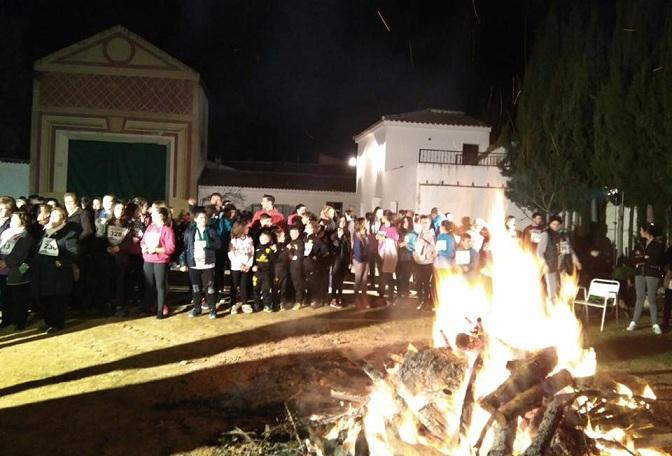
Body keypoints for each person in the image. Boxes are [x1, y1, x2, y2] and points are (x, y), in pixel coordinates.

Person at [32, 207, 79, 333]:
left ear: (63, 219)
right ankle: (48, 322)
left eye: (56, 216)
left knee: (57, 300)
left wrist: (61, 262)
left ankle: (57, 323)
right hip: (43, 272)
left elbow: (74, 252)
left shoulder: (70, 233)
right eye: (51, 216)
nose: (52, 219)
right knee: (45, 299)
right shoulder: (46, 231)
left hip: (58, 274)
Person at [627, 223, 665, 334]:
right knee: (640, 297)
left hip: (652, 273)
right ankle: (634, 322)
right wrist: (644, 257)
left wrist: (644, 258)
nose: (639, 232)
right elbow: (633, 257)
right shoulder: (640, 243)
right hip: (640, 272)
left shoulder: (657, 244)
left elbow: (656, 259)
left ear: (646, 231)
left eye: (641, 230)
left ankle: (655, 324)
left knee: (652, 298)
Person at [184, 208, 221, 319]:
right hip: (193, 263)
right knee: (196, 288)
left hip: (207, 263)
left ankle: (212, 309)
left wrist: (208, 244)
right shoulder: (189, 232)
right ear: (195, 219)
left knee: (209, 288)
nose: (203, 219)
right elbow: (185, 248)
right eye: (200, 217)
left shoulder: (211, 231)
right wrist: (183, 263)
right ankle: (197, 308)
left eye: (205, 217)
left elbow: (218, 244)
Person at [0, 211, 34, 329]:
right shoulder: (6, 233)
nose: (12, 220)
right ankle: (6, 319)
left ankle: (20, 321)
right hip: (3, 270)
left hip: (16, 270)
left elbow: (20, 254)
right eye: (12, 218)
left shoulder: (25, 235)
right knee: (5, 297)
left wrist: (6, 262)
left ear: (23, 220)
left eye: (15, 218)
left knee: (19, 298)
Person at [537, 215, 581, 304]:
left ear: (560, 225)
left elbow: (569, 250)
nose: (555, 226)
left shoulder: (562, 236)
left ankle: (562, 308)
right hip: (550, 267)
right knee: (552, 292)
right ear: (550, 224)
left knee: (563, 290)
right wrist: (544, 264)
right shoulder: (546, 235)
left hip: (561, 267)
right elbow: (540, 252)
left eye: (557, 224)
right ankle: (552, 311)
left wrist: (575, 260)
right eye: (553, 224)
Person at [141, 207, 175, 319]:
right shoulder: (150, 227)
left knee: (160, 286)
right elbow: (143, 241)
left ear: (161, 216)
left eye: (154, 214)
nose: (152, 216)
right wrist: (143, 247)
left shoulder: (167, 230)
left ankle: (160, 310)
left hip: (160, 260)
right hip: (148, 259)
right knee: (148, 285)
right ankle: (148, 307)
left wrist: (156, 250)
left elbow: (170, 248)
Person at [101, 202, 133, 316]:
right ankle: (108, 304)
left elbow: (129, 242)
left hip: (121, 257)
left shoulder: (128, 224)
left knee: (120, 282)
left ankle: (120, 305)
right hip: (108, 256)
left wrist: (118, 247)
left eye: (121, 209)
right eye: (117, 208)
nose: (119, 211)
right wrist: (108, 247)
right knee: (108, 281)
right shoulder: (107, 222)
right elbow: (102, 237)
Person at [228, 221, 254, 314]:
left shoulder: (249, 239)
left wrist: (248, 265)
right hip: (236, 267)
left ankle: (244, 303)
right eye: (246, 227)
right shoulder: (233, 241)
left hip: (246, 267)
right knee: (234, 286)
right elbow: (231, 254)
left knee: (244, 285)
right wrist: (240, 265)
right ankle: (233, 304)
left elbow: (252, 253)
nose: (248, 229)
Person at [303, 221, 329, 308]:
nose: (306, 228)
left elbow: (325, 251)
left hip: (312, 264)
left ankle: (316, 300)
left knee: (313, 282)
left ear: (312, 229)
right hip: (305, 263)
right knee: (308, 282)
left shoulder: (316, 239)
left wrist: (317, 256)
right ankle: (309, 298)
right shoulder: (304, 238)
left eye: (308, 227)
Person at [413, 215, 436, 310]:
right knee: (418, 282)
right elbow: (417, 246)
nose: (424, 224)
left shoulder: (431, 235)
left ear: (429, 224)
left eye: (426, 223)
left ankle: (425, 302)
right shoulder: (420, 233)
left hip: (427, 263)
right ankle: (421, 300)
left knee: (426, 283)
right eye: (422, 222)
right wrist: (414, 255)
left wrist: (425, 256)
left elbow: (434, 250)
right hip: (418, 262)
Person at [0, 196, 16, 326]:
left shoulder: (13, 223)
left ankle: (7, 318)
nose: (2, 212)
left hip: (5, 262)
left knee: (5, 292)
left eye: (5, 209)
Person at [330, 215, 351, 308]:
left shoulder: (347, 232)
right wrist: (339, 237)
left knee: (341, 279)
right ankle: (334, 298)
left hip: (344, 259)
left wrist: (350, 261)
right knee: (335, 278)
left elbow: (349, 247)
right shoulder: (334, 233)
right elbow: (336, 247)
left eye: (344, 221)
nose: (343, 223)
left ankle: (340, 296)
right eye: (341, 221)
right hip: (336, 259)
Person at [377, 213, 399, 305]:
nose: (382, 217)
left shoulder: (393, 229)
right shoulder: (382, 227)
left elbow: (395, 241)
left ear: (387, 218)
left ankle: (390, 294)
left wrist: (386, 239)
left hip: (388, 254)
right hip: (380, 252)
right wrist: (378, 237)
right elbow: (378, 237)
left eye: (383, 216)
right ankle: (381, 294)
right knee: (381, 274)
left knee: (389, 274)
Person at [252, 230, 276, 312]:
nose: (263, 239)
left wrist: (274, 251)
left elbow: (273, 261)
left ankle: (267, 305)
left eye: (266, 238)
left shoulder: (269, 249)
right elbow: (253, 259)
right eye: (262, 237)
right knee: (256, 289)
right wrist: (253, 266)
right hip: (257, 273)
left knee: (266, 290)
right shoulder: (256, 248)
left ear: (269, 240)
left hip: (266, 273)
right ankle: (256, 304)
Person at [351, 217, 370, 308]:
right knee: (358, 279)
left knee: (364, 280)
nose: (367, 223)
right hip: (359, 260)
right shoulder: (357, 235)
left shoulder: (365, 233)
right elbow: (357, 249)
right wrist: (361, 260)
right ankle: (356, 299)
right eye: (365, 222)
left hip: (365, 259)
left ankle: (364, 298)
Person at [396, 216, 416, 300]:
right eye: (403, 221)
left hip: (408, 258)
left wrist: (406, 245)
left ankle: (406, 293)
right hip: (398, 257)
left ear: (410, 223)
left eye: (406, 221)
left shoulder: (413, 233)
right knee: (398, 276)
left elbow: (415, 246)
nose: (404, 223)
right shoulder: (400, 232)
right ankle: (399, 293)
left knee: (405, 277)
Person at [287, 225, 305, 310]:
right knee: (293, 283)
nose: (293, 234)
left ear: (298, 233)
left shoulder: (300, 242)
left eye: (295, 233)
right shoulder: (290, 242)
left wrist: (291, 254)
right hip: (291, 266)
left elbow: (299, 254)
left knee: (298, 283)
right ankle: (297, 299)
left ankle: (299, 301)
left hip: (297, 266)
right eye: (291, 233)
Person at [273, 228, 291, 310]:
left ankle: (282, 302)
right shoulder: (274, 247)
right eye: (283, 236)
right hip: (277, 271)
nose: (284, 237)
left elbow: (289, 257)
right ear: (278, 237)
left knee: (284, 287)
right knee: (276, 287)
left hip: (285, 270)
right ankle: (275, 302)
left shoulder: (285, 246)